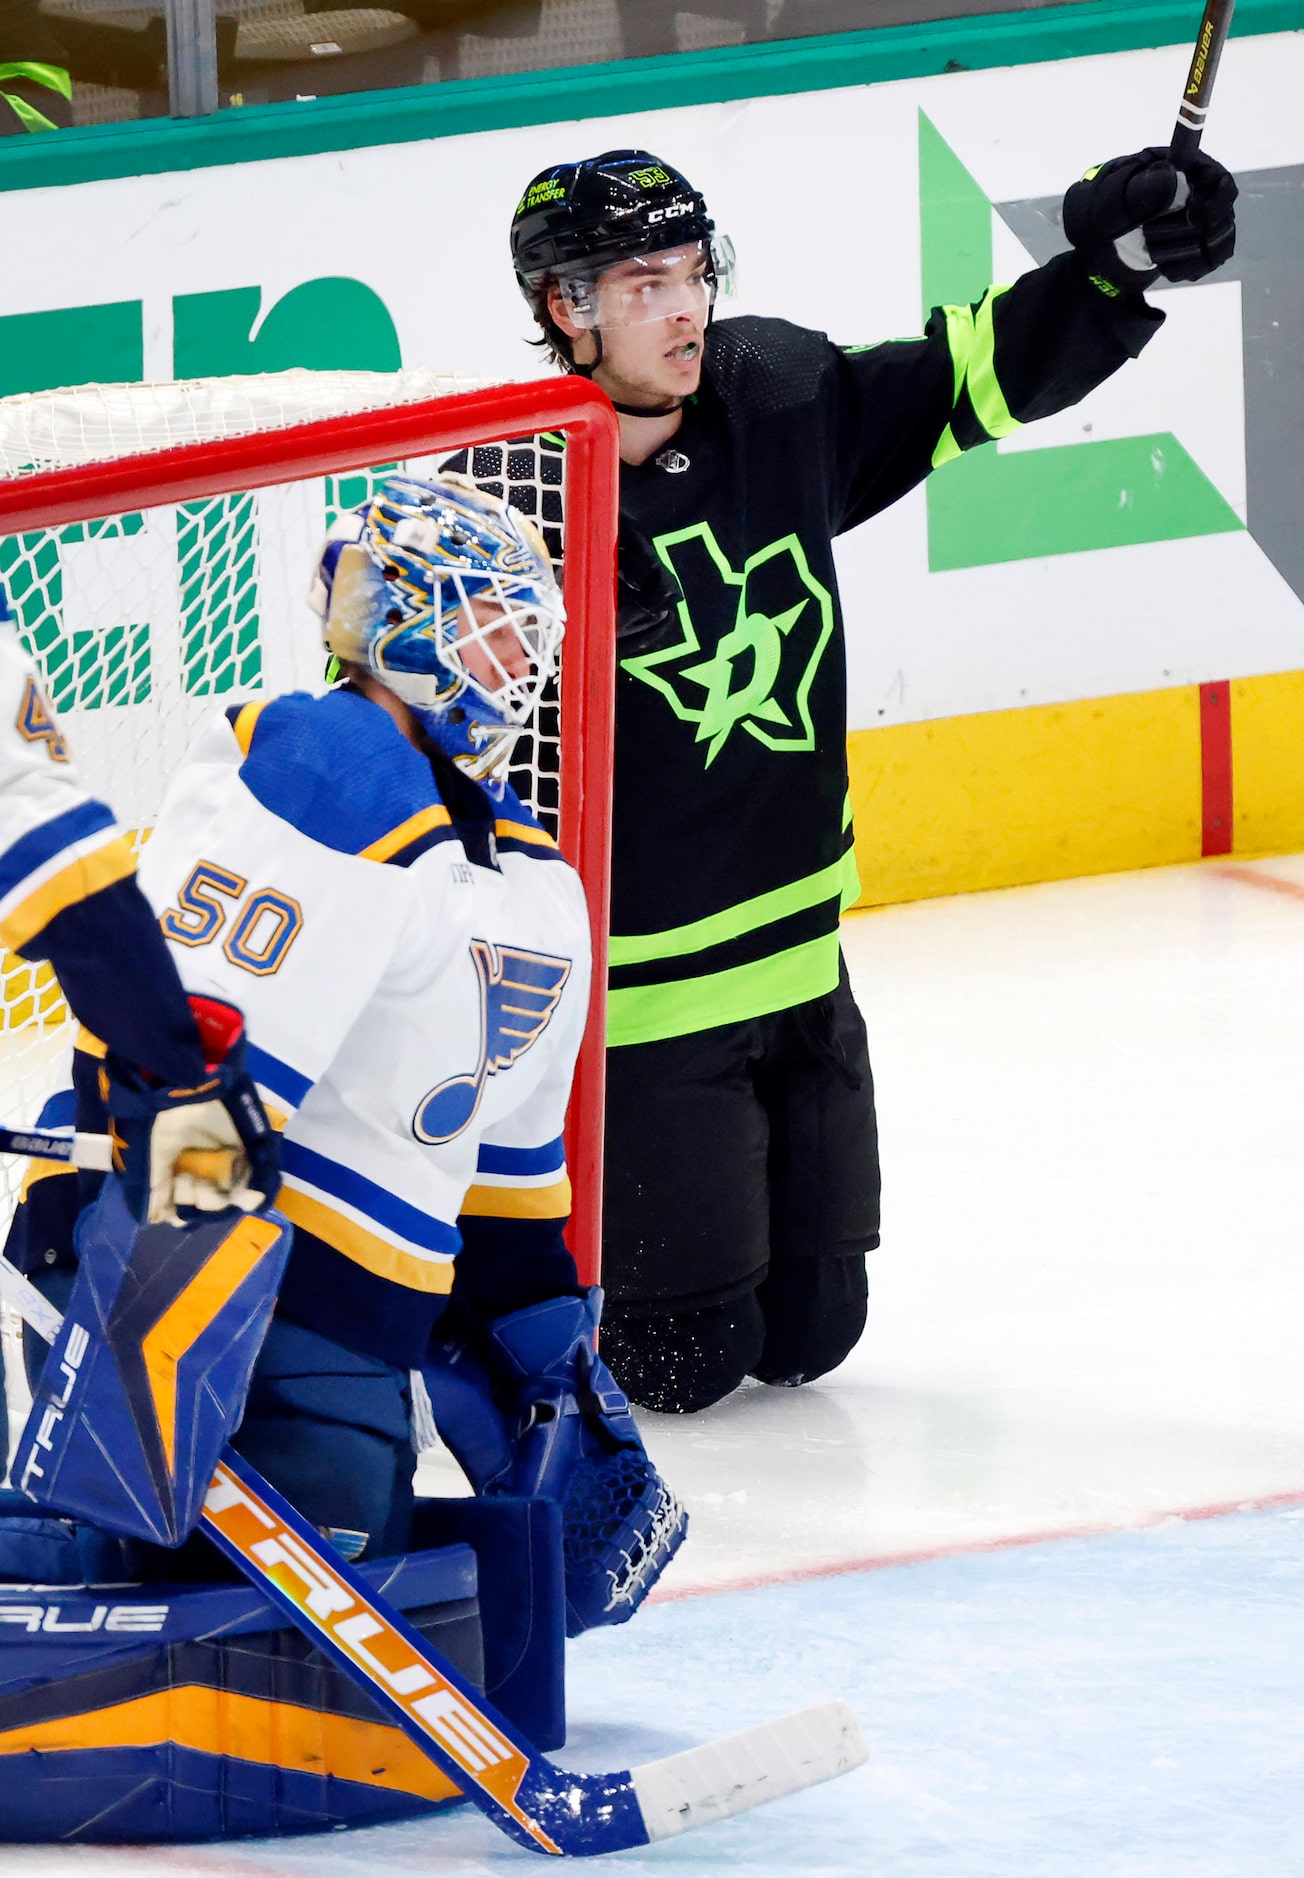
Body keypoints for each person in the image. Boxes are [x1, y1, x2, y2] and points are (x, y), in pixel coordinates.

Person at [508, 144, 1238, 1414]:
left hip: (801, 958)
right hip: (645, 1000)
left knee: (810, 1335)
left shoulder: (774, 396)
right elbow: (390, 671)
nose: (684, 309)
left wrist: (1106, 273)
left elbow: (965, 382)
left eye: (692, 272)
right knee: (682, 1365)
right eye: (641, 284)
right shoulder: (510, 489)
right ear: (566, 309)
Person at [111, 472, 683, 1626]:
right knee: (186, 1589)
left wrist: (559, 1386)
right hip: (227, 1311)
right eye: (495, 624)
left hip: (358, 1342)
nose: (522, 662)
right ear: (407, 619)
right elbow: (177, 1069)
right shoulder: (323, 767)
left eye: (532, 635)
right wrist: (161, 1331)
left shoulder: (531, 882)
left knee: (347, 1572)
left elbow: (508, 1194)